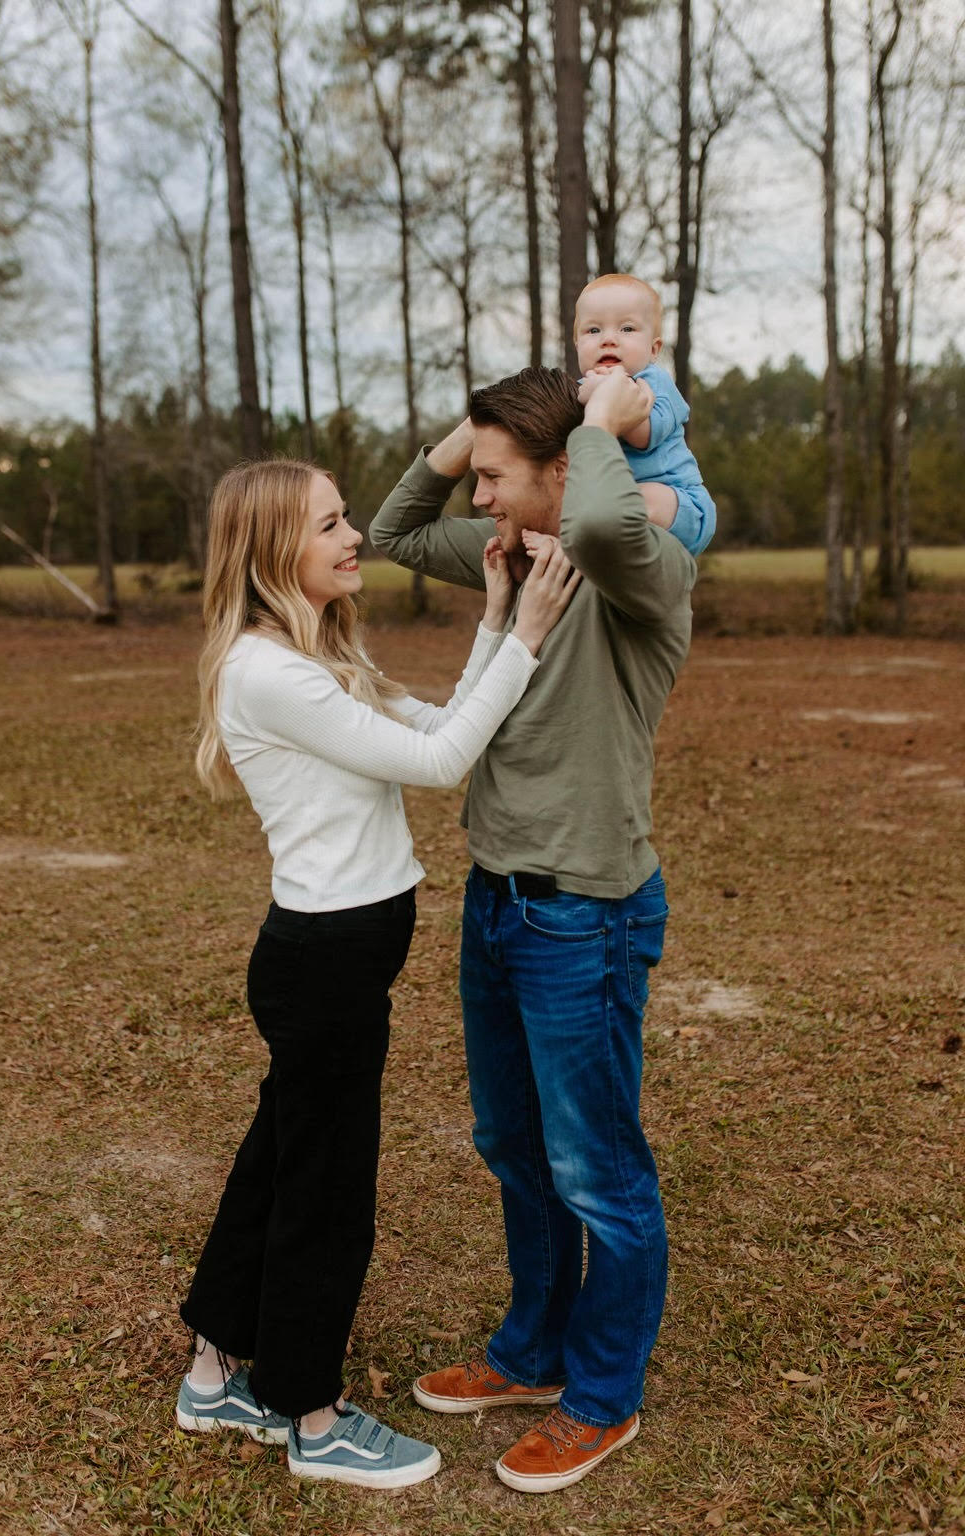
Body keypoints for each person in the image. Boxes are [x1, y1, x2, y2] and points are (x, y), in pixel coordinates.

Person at [175, 456, 579, 1490]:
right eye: (328, 525)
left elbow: (441, 723)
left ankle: (216, 1369)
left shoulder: (320, 658)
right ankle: (310, 1416)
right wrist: (529, 631)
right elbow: (445, 765)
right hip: (324, 965)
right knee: (325, 1188)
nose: (353, 536)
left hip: (334, 955)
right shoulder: (274, 673)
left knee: (281, 1157)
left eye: (346, 517)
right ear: (273, 552)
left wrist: (492, 614)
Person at [369, 365, 696, 1494]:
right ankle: (533, 1351)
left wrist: (603, 419)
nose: (480, 504)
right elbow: (394, 529)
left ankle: (601, 1395)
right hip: (495, 898)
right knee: (512, 1146)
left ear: (563, 472)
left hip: (584, 913)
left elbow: (605, 512)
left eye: (502, 480)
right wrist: (472, 436)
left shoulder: (642, 567)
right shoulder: (513, 551)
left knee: (596, 1170)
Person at [574, 272, 716, 557]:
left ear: (654, 349)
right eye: (593, 331)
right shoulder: (578, 390)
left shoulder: (654, 382)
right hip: (617, 507)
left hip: (679, 502)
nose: (609, 339)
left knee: (633, 500)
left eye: (627, 329)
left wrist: (601, 396)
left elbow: (643, 436)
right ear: (577, 344)